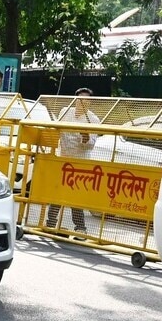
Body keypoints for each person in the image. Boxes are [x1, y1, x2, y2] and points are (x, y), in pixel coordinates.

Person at [46, 87, 101, 233]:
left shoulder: (93, 119)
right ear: (75, 100)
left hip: (80, 165)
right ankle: (50, 223)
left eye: (86, 101)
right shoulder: (65, 111)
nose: (82, 103)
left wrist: (85, 137)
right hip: (62, 161)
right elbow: (56, 131)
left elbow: (91, 144)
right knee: (57, 193)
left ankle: (80, 228)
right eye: (80, 100)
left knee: (75, 197)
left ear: (91, 103)